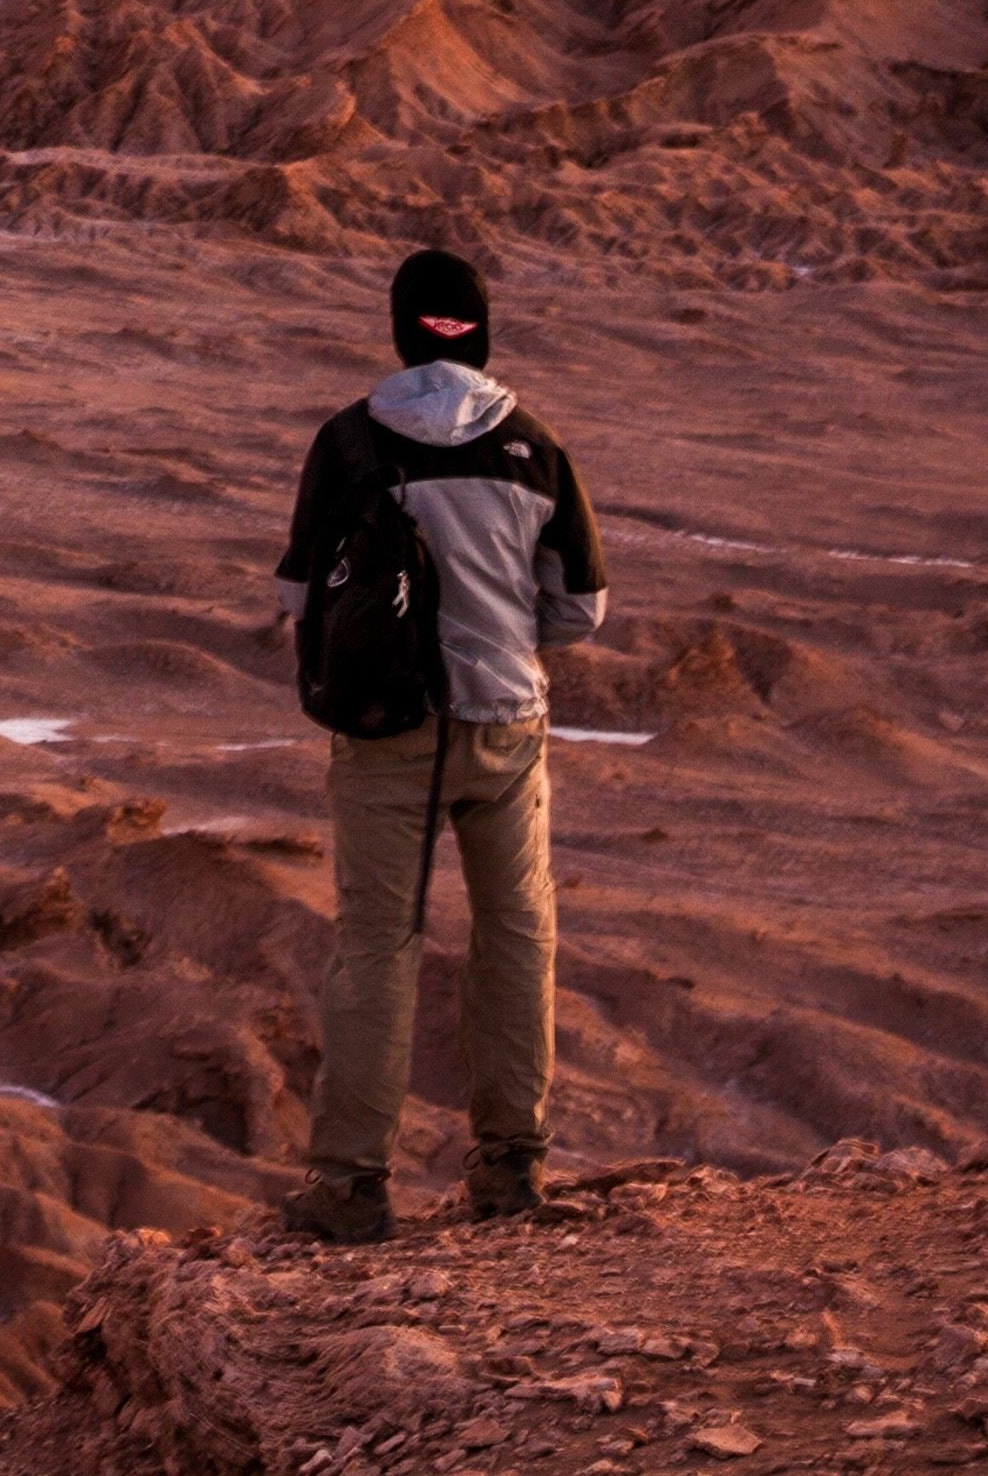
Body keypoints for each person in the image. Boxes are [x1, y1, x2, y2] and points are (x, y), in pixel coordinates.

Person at [270, 245, 608, 1243]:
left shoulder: (345, 442)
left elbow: (295, 594)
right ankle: (510, 1172)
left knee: (376, 945)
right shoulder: (533, 444)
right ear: (480, 326)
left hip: (384, 735)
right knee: (513, 936)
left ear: (400, 328)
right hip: (505, 725)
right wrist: (499, 630)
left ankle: (348, 1187)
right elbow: (580, 607)